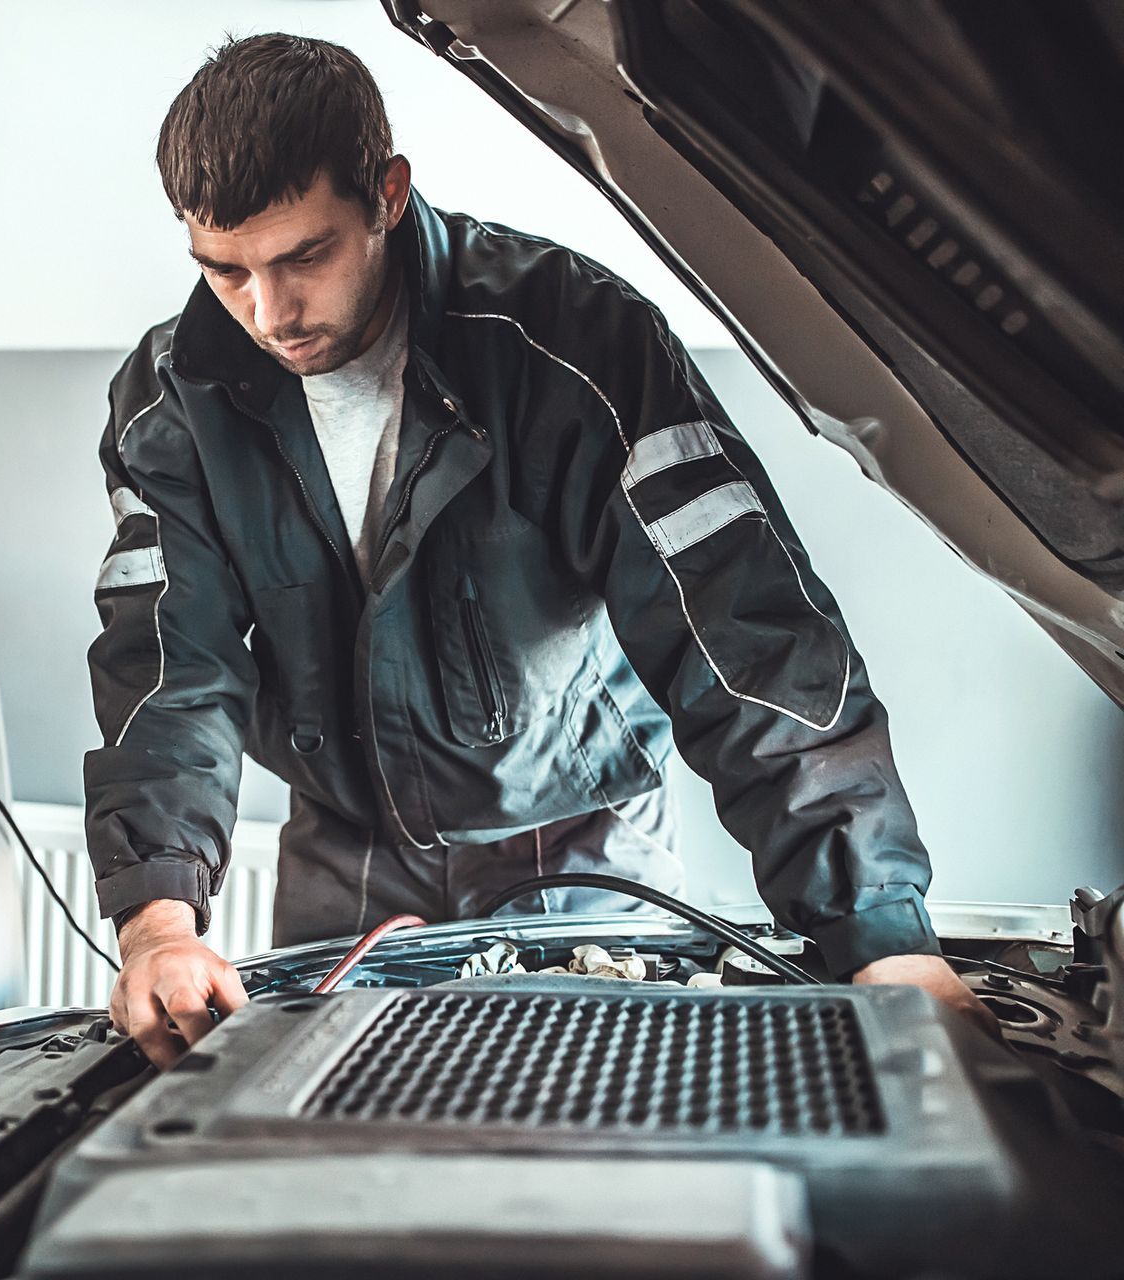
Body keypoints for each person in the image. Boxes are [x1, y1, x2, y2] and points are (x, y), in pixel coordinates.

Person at [84, 33, 991, 1067]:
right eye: (225, 271)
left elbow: (742, 635)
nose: (268, 313)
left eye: (305, 257)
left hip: (580, 857)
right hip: (348, 868)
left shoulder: (575, 343)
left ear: (386, 192)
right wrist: (158, 919)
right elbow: (171, 665)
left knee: (597, 1167)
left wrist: (879, 935)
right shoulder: (173, 397)